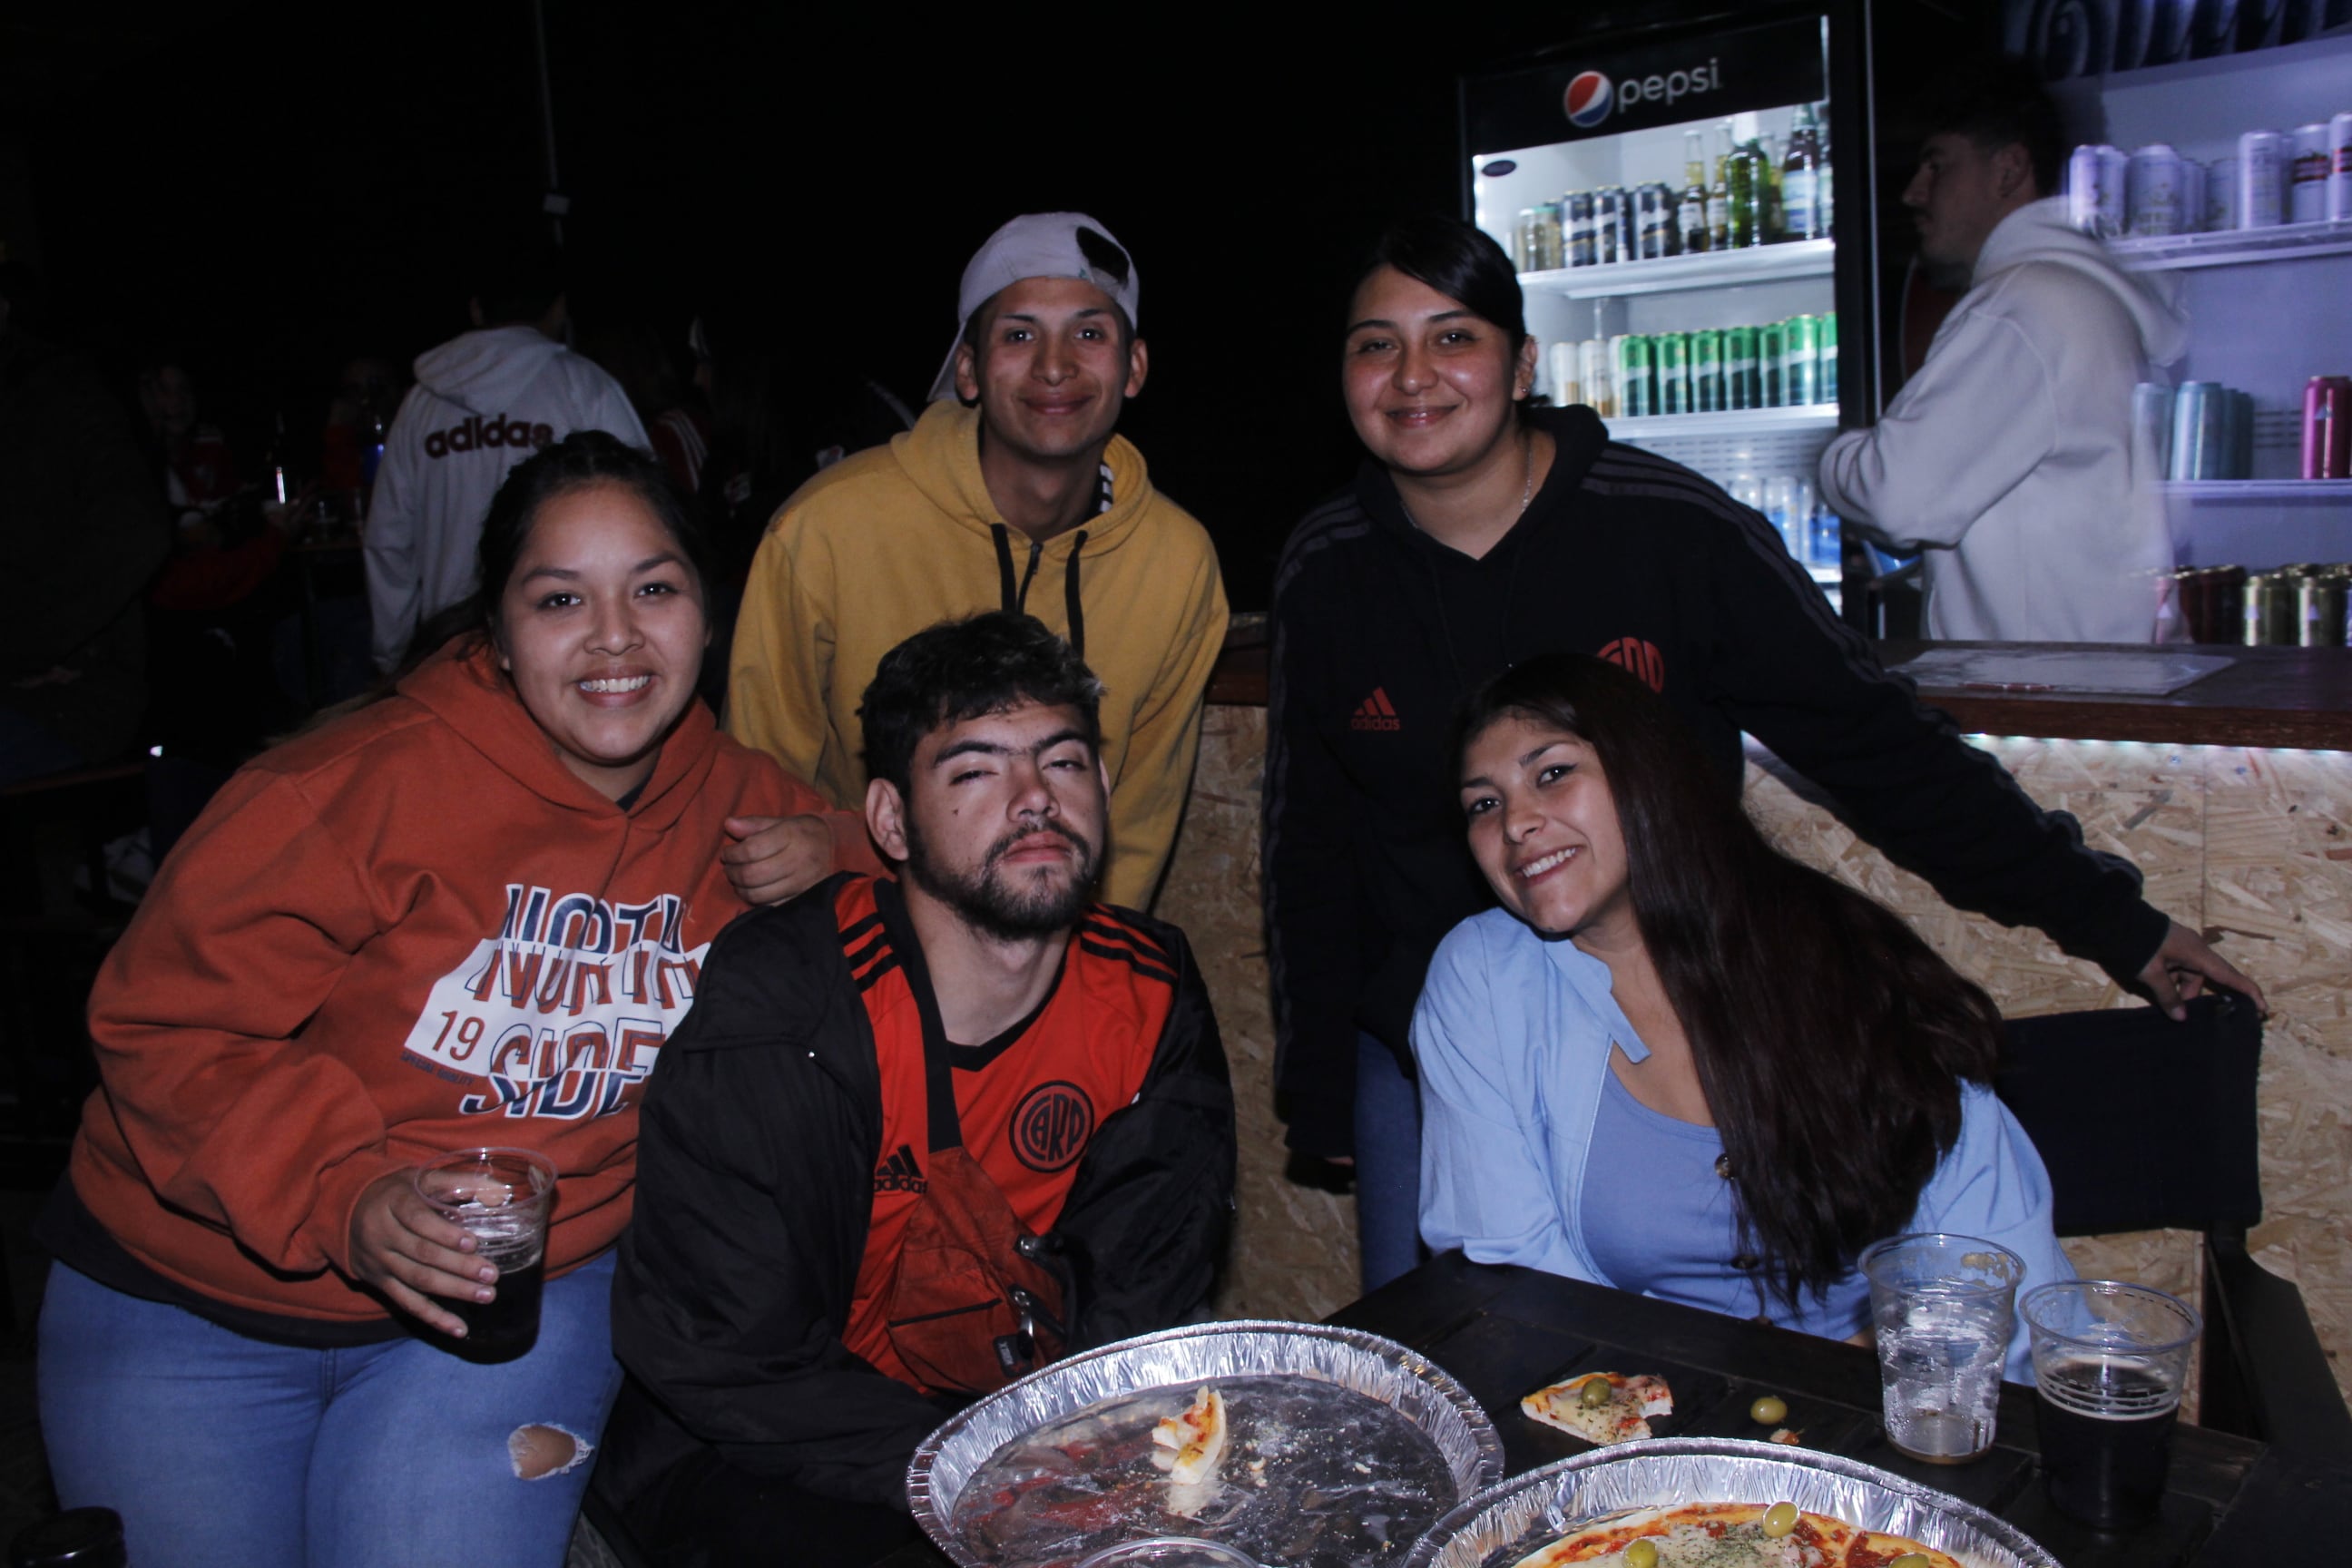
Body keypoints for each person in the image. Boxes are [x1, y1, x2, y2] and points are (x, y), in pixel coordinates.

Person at [1263, 214, 2262, 1294]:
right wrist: (1320, 1084)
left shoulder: (1668, 529)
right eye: (1377, 344)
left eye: (1452, 337)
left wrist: (2109, 915)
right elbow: (1310, 845)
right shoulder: (1328, 567)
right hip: (1432, 1037)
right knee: (1457, 1341)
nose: (1413, 375)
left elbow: (1871, 741)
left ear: (1522, 361)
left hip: (1679, 1013)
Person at [36, 433, 871, 1567]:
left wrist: (838, 844)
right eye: (560, 598)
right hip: (190, 1293)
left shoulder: (742, 814)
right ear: (498, 629)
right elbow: (162, 1023)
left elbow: (956, 874)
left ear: (707, 615)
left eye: (655, 589)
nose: (616, 636)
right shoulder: (343, 790)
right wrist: (345, 1193)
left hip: (513, 1306)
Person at [602, 612, 1237, 1568]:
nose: (1033, 800)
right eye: (976, 772)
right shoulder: (788, 1005)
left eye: (1063, 763)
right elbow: (729, 1359)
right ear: (890, 821)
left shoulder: (1147, 987)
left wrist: (1076, 1467)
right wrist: (993, 1474)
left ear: (1103, 789)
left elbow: (1142, 1290)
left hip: (1031, 1428)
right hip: (771, 1450)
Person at [1416, 652, 2071, 1376]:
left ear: (1648, 775)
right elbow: (1513, 1264)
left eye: (1552, 773)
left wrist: (1834, 1388)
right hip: (1640, 1408)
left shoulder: (1842, 956)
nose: (1516, 824)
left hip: (1896, 1397)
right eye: (1484, 803)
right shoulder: (1482, 977)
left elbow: (1990, 1266)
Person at [723, 212, 1228, 910]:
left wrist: (1085, 984)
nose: (1055, 365)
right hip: (851, 932)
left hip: (1052, 950)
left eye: (1090, 333)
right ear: (967, 368)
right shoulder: (828, 528)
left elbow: (1134, 827)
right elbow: (754, 785)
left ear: (1134, 365)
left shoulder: (1175, 563)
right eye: (1019, 335)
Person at [1818, 58, 2183, 642]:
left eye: (1937, 166)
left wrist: (1833, 458)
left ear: (2009, 169)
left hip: (2039, 704)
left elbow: (1897, 496)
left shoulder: (2022, 306)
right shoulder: (2092, 293)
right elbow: (2070, 523)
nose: (1914, 193)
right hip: (2099, 683)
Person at [365, 226, 648, 672]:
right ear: (558, 307)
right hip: (567, 646)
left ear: (477, 309)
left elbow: (388, 540)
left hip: (446, 656)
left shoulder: (421, 405)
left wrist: (393, 655)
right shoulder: (584, 387)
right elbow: (647, 512)